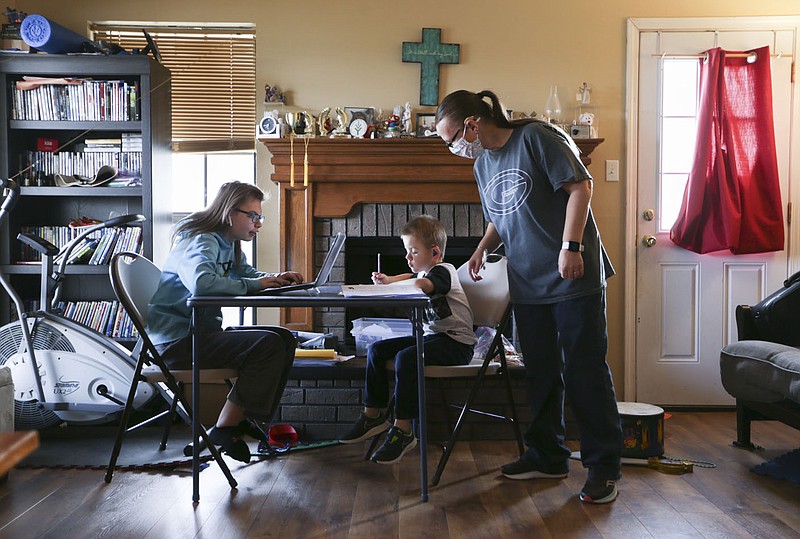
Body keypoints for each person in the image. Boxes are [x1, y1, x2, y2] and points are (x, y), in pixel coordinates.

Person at [435, 90, 623, 504]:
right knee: (539, 372)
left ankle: (603, 467)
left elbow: (581, 187)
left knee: (584, 370)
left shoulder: (536, 137)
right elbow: (503, 212)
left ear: (472, 124)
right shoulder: (484, 162)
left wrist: (571, 247)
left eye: (452, 139)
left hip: (571, 275)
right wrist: (482, 246)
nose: (454, 149)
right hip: (528, 281)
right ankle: (547, 455)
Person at [147, 181, 302, 463]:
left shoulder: (228, 245)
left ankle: (238, 420)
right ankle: (227, 426)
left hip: (198, 336)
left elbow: (246, 274)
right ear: (230, 213)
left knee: (283, 338)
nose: (258, 223)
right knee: (267, 345)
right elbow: (201, 283)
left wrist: (275, 279)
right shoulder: (201, 240)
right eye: (252, 216)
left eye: (260, 217)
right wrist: (256, 284)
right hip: (176, 344)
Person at [340, 215, 477, 464]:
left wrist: (394, 285)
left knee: (407, 357)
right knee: (377, 350)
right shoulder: (426, 271)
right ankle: (373, 414)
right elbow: (413, 275)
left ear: (435, 252)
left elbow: (423, 283)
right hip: (435, 339)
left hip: (457, 344)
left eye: (413, 251)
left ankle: (403, 429)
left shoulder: (444, 272)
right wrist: (389, 280)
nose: (408, 257)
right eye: (407, 251)